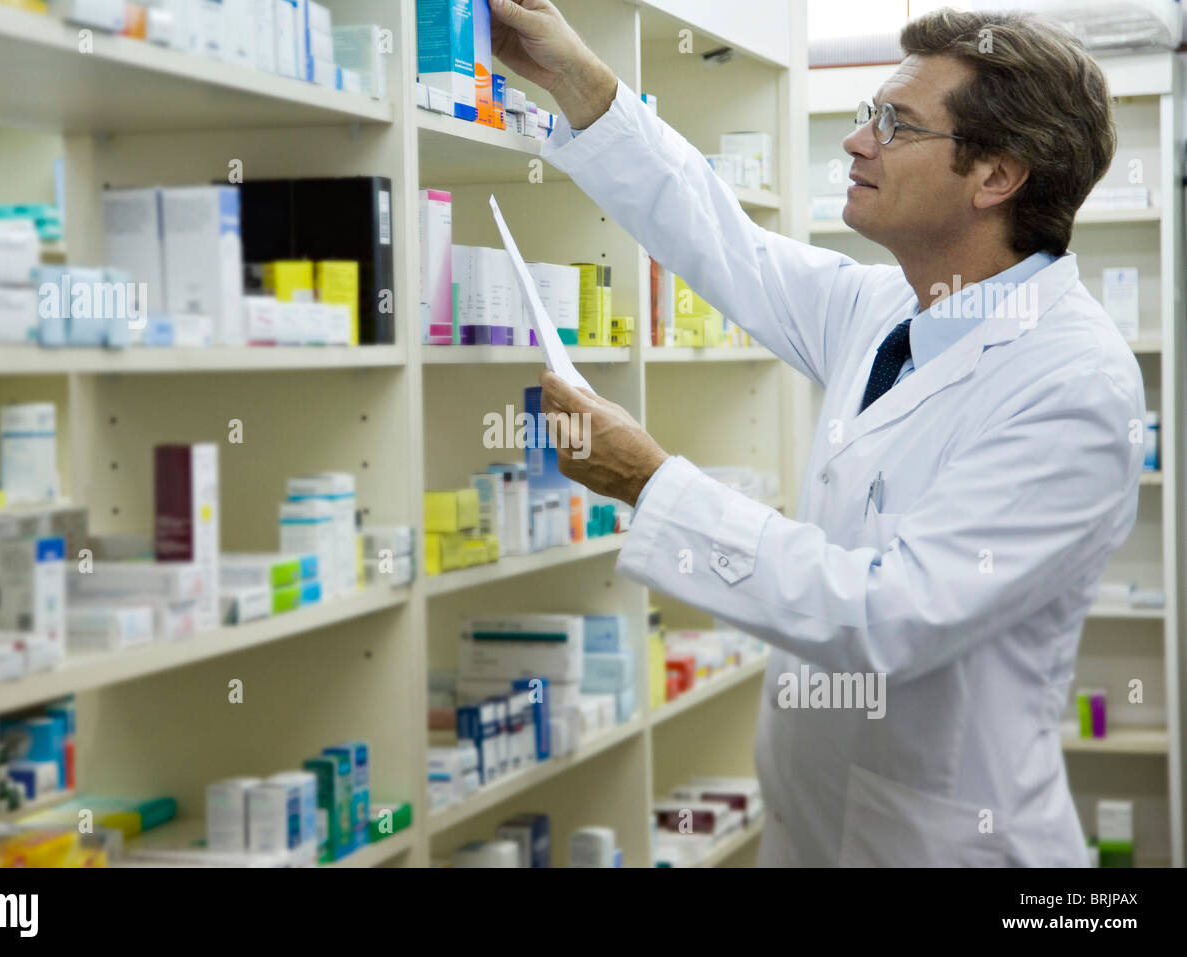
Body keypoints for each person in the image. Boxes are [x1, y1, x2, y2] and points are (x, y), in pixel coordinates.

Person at [488, 0, 1146, 866]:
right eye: (868, 114)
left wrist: (652, 482)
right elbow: (727, 244)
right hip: (819, 822)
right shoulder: (888, 308)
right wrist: (572, 74)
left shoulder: (1074, 385)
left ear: (996, 176)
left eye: (896, 124)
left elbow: (887, 617)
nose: (856, 141)